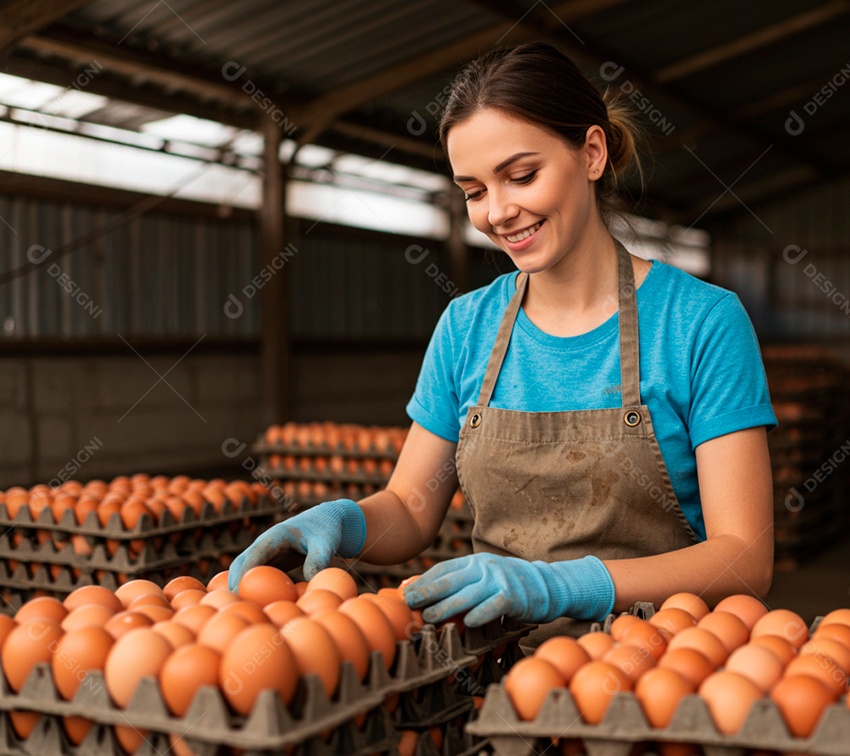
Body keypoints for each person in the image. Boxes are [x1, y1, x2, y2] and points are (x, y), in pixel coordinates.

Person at [228, 42, 777, 645]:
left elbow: (743, 560)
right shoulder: (467, 327)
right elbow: (412, 508)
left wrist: (564, 586)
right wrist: (348, 522)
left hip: (659, 670)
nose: (499, 212)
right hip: (491, 669)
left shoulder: (700, 322)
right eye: (473, 191)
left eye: (522, 176)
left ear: (591, 154)